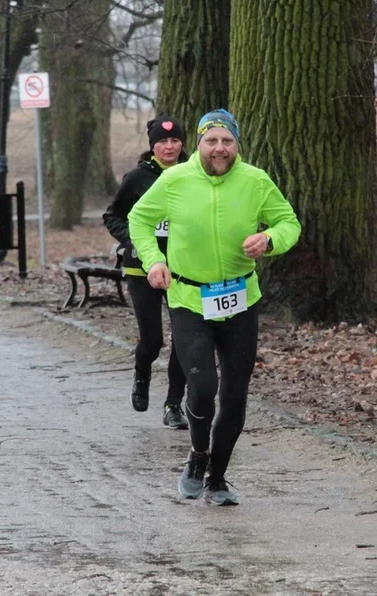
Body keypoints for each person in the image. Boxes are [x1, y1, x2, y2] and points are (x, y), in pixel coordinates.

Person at [128, 109, 301, 506]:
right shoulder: (174, 180)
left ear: (236, 144)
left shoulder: (255, 181)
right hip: (190, 299)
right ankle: (197, 456)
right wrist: (154, 259)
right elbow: (139, 219)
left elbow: (289, 222)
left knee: (235, 396)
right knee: (203, 387)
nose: (220, 148)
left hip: (240, 301)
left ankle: (218, 479)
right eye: (212, 141)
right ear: (200, 144)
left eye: (227, 141)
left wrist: (271, 239)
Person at [103, 116, 190, 429]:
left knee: (184, 339)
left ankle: (173, 405)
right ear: (152, 145)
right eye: (162, 142)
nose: (169, 147)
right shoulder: (138, 177)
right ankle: (142, 374)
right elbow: (112, 216)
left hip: (184, 268)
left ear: (182, 143)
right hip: (142, 269)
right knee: (152, 340)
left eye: (175, 141)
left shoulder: (193, 173)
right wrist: (135, 239)